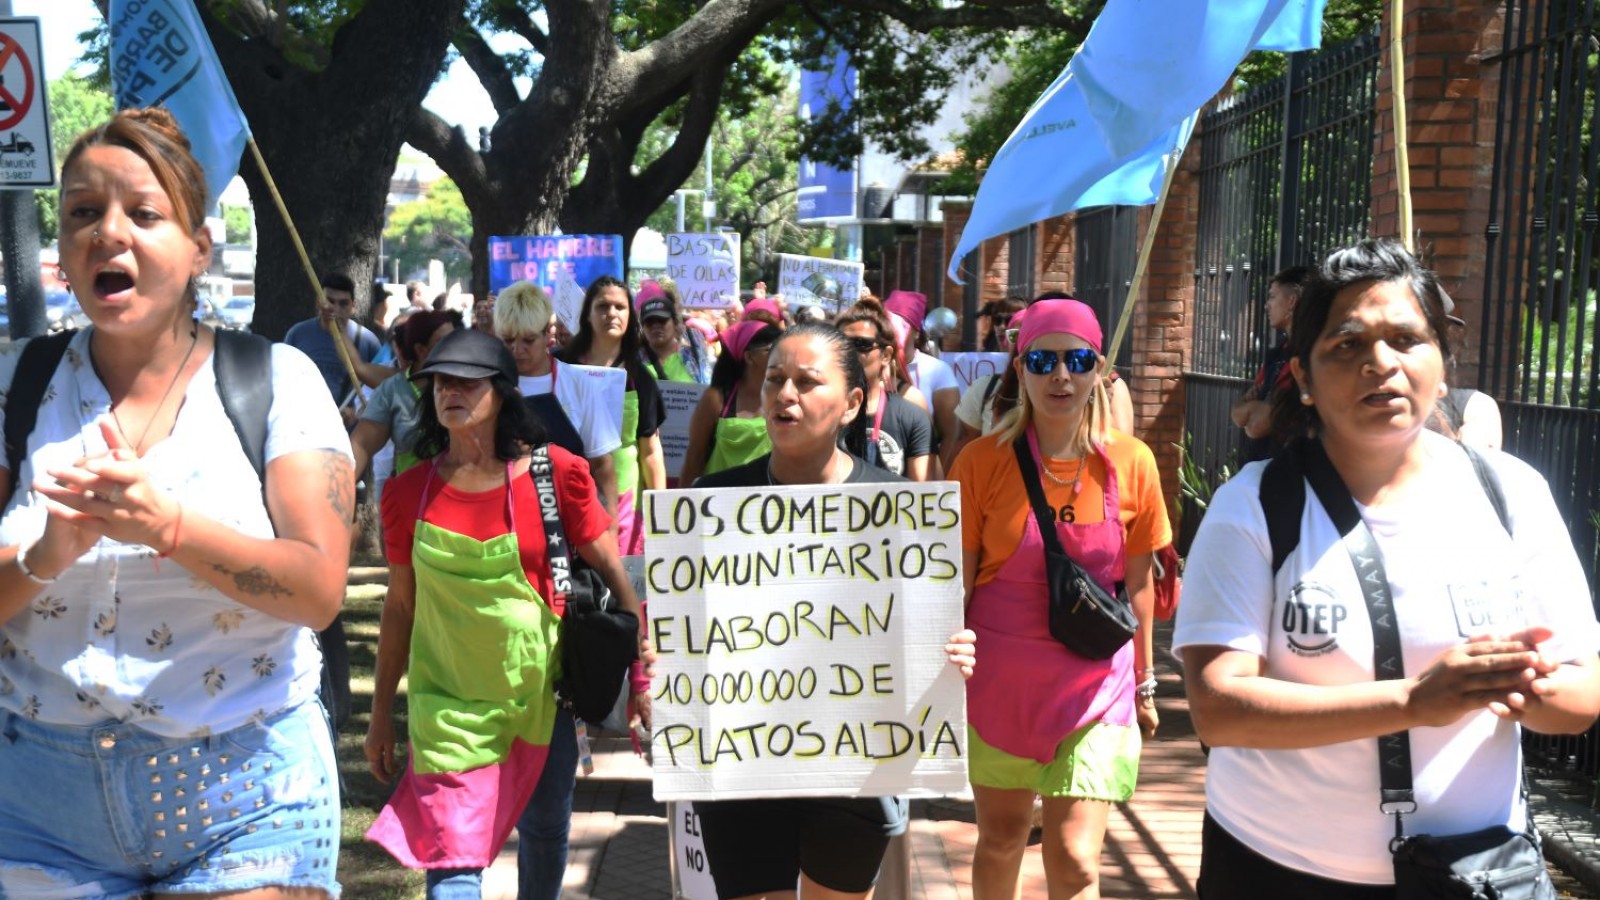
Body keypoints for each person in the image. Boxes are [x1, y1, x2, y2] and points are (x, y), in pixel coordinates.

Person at [1174, 240, 1600, 897]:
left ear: (1442, 360)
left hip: (1473, 873)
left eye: (1406, 338)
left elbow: (1582, 697)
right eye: (1347, 345)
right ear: (1305, 379)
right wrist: (1414, 702)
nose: (1381, 364)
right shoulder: (1256, 507)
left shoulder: (1512, 493)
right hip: (1279, 870)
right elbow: (1219, 709)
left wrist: (1516, 684)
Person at [4, 108, 353, 896]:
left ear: (199, 247)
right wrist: (44, 553)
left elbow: (320, 589)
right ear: (62, 249)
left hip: (249, 791)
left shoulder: (279, 381)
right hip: (38, 803)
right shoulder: (15, 386)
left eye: (145, 213)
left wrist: (169, 527)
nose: (108, 232)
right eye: (84, 213)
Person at [693, 322, 977, 900]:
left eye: (805, 381)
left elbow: (922, 631)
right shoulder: (711, 502)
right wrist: (667, 656)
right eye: (775, 379)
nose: (785, 395)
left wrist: (950, 654)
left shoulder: (900, 510)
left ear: (852, 404)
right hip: (743, 761)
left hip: (857, 765)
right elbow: (691, 624)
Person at [364, 328, 649, 900]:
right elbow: (399, 609)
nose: (451, 392)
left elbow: (618, 580)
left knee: (545, 831)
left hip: (542, 700)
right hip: (446, 711)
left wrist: (640, 677)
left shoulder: (557, 475)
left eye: (467, 382)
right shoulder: (406, 493)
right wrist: (378, 714)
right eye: (441, 382)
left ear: (502, 393)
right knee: (453, 859)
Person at [950, 297, 1170, 899]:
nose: (1061, 375)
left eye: (1077, 359)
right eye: (1043, 360)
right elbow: (955, 586)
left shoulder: (1134, 463)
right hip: (1000, 690)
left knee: (1074, 859)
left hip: (1096, 686)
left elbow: (1140, 582)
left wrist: (1146, 681)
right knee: (1002, 839)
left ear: (1100, 368)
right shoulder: (980, 462)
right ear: (1019, 369)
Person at [495, 281, 622, 516]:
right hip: (507, 515)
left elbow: (602, 464)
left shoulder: (578, 383)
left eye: (528, 340)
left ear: (547, 334)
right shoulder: (488, 386)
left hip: (571, 513)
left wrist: (610, 526)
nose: (517, 350)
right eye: (508, 340)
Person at [559, 276, 666, 555]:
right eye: (603, 306)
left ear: (631, 316)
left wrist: (662, 513)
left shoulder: (642, 378)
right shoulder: (560, 366)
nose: (612, 314)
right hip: (564, 494)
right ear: (587, 315)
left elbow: (651, 451)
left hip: (625, 501)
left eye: (620, 307)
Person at [349, 310, 456, 486]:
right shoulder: (393, 389)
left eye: (455, 340)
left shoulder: (471, 384)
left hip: (462, 501)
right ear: (421, 350)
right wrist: (339, 494)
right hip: (412, 502)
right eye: (443, 342)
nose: (454, 348)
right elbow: (361, 445)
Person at [676, 320, 782, 488]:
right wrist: (682, 506)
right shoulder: (716, 398)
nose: (781, 354)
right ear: (749, 357)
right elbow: (695, 456)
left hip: (769, 502)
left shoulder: (785, 397)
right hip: (718, 503)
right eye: (772, 348)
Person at [835, 299, 933, 480]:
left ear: (886, 356)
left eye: (861, 344)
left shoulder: (912, 417)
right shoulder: (817, 413)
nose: (849, 352)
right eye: (841, 344)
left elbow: (925, 493)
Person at [1231, 265, 1312, 462]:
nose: (1267, 305)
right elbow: (1240, 414)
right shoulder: (1275, 355)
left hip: (1295, 467)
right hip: (1263, 466)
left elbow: (1257, 422)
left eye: (1273, 297)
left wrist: (1253, 407)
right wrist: (1248, 406)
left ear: (1292, 301)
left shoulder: (1313, 356)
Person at [884, 290, 962, 472]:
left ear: (916, 331)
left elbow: (952, 434)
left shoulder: (938, 371)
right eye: (886, 322)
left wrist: (935, 484)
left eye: (901, 324)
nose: (892, 330)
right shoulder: (871, 367)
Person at [284, 271, 382, 411]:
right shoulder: (297, 334)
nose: (335, 309)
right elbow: (285, 382)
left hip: (348, 430)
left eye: (343, 304)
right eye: (329, 301)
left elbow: (380, 392)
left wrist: (356, 413)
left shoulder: (368, 342)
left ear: (353, 307)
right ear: (319, 302)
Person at [638, 280, 712, 384]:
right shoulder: (635, 362)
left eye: (661, 320)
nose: (656, 326)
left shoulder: (694, 354)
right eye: (649, 322)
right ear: (643, 327)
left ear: (675, 323)